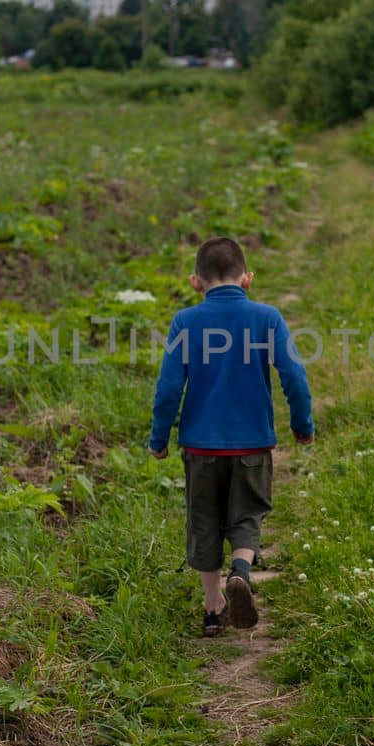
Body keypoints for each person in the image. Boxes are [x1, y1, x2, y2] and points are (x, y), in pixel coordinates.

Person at [148, 237, 315, 637]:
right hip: (252, 442)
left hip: (200, 447)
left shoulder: (185, 322)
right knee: (247, 513)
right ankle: (241, 568)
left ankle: (212, 608)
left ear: (195, 282)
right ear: (248, 279)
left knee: (203, 520)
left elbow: (169, 389)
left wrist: (159, 438)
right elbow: (294, 376)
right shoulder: (267, 317)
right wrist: (302, 424)